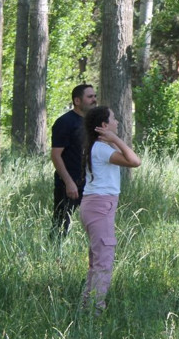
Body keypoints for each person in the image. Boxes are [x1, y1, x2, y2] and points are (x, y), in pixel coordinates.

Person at [80, 106, 141, 314]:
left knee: (97, 260)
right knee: (103, 260)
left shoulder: (97, 148)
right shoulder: (103, 149)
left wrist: (112, 138)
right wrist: (115, 139)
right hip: (99, 207)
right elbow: (135, 161)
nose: (117, 122)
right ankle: (95, 311)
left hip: (95, 206)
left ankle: (86, 307)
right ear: (104, 126)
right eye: (113, 119)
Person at [50, 84, 98, 238]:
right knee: (61, 226)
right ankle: (55, 257)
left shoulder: (93, 123)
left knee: (94, 224)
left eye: (94, 96)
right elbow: (56, 155)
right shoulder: (65, 122)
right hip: (69, 185)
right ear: (77, 101)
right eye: (90, 97)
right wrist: (69, 183)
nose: (94, 100)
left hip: (90, 183)